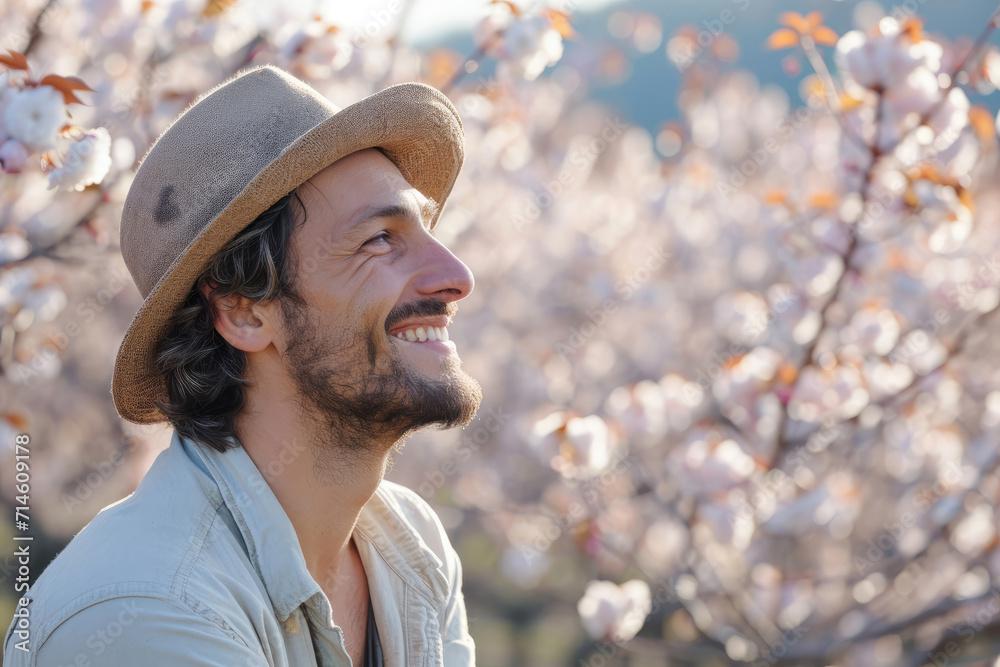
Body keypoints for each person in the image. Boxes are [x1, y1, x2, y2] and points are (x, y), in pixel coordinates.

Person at [3, 64, 482, 666]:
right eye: (379, 239)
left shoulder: (410, 548)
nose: (457, 278)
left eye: (426, 227)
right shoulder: (148, 608)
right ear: (244, 312)